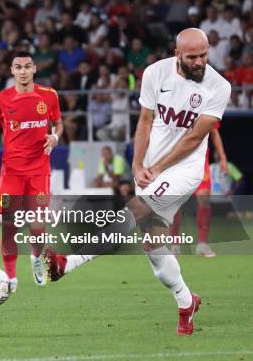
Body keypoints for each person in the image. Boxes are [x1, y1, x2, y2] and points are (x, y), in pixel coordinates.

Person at [44, 28, 231, 335]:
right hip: (150, 169)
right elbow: (145, 122)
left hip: (184, 170)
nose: (199, 62)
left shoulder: (218, 86)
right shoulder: (155, 74)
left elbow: (195, 136)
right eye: (192, 57)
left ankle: (68, 263)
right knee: (153, 245)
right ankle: (186, 302)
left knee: (136, 210)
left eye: (204, 55)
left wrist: (157, 166)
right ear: (177, 54)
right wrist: (137, 163)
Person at [0, 51, 63, 292]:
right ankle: (10, 277)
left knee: (37, 226)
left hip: (39, 171)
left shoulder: (49, 96)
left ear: (34, 69)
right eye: (18, 67)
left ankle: (36, 258)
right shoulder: (1, 99)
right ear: (12, 71)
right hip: (11, 173)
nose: (23, 71)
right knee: (10, 226)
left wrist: (55, 137)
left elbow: (58, 123)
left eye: (27, 66)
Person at [169, 124, 227, 257]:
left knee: (204, 197)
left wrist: (222, 157)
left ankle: (202, 244)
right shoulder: (174, 106)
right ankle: (174, 246)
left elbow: (214, 132)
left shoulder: (206, 106)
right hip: (177, 162)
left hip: (199, 162)